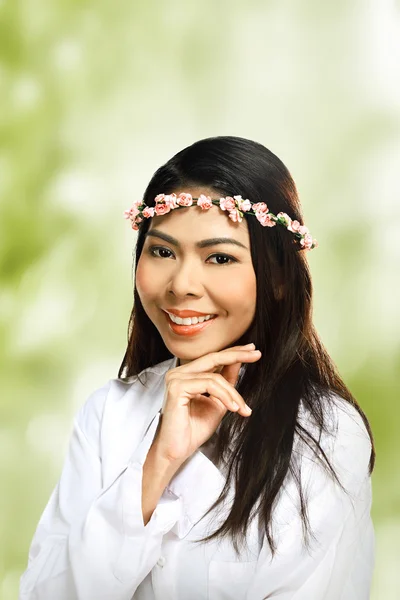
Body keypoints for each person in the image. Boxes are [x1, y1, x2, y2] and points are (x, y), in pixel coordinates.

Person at [19, 136, 375, 600]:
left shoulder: (325, 433)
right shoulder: (109, 412)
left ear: (281, 279)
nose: (182, 285)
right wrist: (157, 465)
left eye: (220, 258)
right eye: (162, 251)